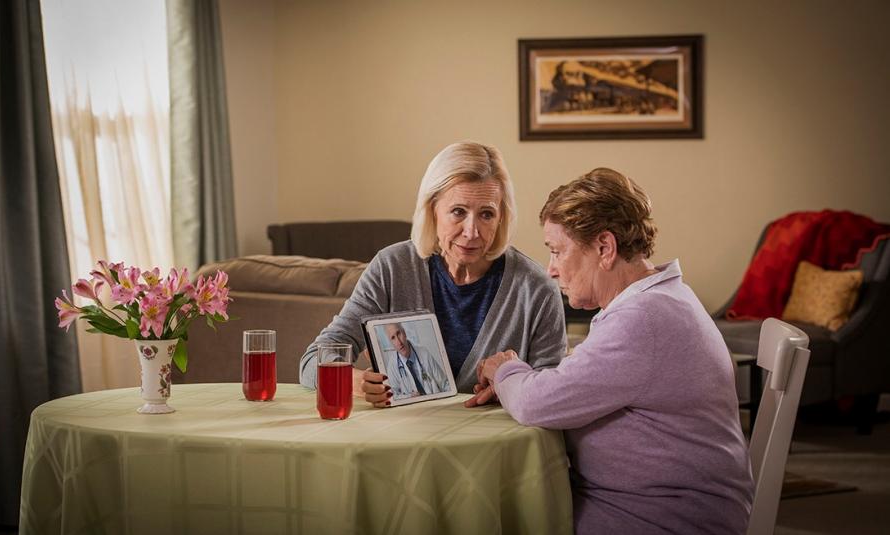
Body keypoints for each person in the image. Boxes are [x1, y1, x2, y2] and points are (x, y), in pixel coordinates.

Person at [476, 168, 754, 534]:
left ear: (605, 248)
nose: (552, 269)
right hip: (665, 505)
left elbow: (536, 404)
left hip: (662, 518)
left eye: (558, 252)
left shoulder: (642, 318)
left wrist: (505, 369)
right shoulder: (665, 297)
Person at [299, 141, 567, 407]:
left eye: (486, 214)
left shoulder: (536, 288)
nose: (471, 231)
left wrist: (510, 386)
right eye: (458, 212)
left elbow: (553, 395)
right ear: (432, 210)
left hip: (495, 445)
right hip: (404, 442)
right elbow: (312, 361)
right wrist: (352, 381)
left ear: (501, 218)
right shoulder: (392, 267)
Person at [380, 322, 450, 399]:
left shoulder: (424, 353)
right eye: (393, 338)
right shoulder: (392, 365)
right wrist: (409, 397)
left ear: (404, 333)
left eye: (399, 333)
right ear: (391, 343)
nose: (399, 342)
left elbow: (444, 384)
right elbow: (393, 396)